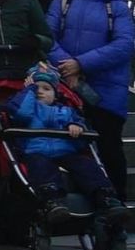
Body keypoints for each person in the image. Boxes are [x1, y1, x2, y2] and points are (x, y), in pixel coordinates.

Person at [46, 0, 132, 198]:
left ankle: (117, 206)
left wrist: (80, 64)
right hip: (67, 87)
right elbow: (47, 38)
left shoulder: (117, 7)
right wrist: (67, 66)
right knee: (69, 147)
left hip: (106, 90)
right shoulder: (61, 2)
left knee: (109, 148)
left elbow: (125, 44)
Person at [9, 63, 128, 224]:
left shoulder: (66, 111)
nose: (40, 92)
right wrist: (28, 90)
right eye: (36, 88)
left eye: (46, 88)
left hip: (66, 151)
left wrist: (77, 126)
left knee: (87, 166)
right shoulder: (27, 109)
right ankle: (52, 201)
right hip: (36, 151)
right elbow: (21, 113)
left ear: (56, 93)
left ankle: (105, 196)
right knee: (41, 167)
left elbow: (81, 126)